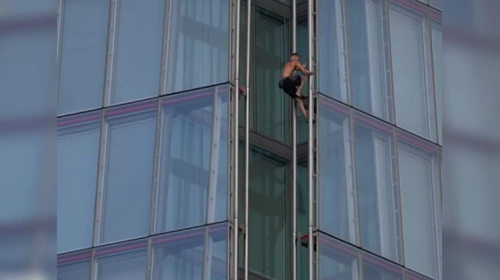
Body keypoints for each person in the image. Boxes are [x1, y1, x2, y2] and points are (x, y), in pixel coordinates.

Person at [278, 52, 314, 120]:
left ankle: (306, 116)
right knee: (304, 78)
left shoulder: (288, 64)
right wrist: (312, 73)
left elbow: (299, 68)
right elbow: (304, 71)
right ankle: (299, 91)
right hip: (288, 81)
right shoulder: (295, 61)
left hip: (284, 86)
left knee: (299, 100)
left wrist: (307, 64)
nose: (296, 59)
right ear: (295, 57)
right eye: (295, 57)